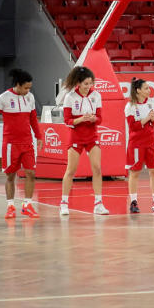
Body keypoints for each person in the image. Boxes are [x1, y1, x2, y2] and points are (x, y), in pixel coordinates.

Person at [0, 69, 43, 219]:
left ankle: (27, 205)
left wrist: (38, 136)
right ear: (18, 84)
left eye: (29, 88)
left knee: (31, 173)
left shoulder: (30, 97)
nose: (28, 90)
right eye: (26, 87)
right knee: (10, 176)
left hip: (27, 142)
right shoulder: (4, 97)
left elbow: (32, 119)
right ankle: (10, 206)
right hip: (11, 144)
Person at [60, 66, 108, 216]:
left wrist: (94, 118)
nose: (88, 87)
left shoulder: (96, 96)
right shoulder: (70, 97)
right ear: (78, 83)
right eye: (86, 84)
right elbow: (67, 121)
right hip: (76, 136)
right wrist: (81, 119)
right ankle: (64, 203)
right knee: (71, 170)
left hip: (92, 135)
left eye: (90, 83)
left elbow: (100, 119)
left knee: (97, 169)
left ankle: (98, 204)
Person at [125, 77, 154, 213]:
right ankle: (133, 202)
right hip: (136, 143)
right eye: (146, 88)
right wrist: (146, 119)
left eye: (149, 88)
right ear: (138, 90)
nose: (149, 90)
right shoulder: (130, 106)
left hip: (151, 141)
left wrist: (153, 119)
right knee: (135, 172)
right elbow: (133, 126)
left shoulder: (152, 103)